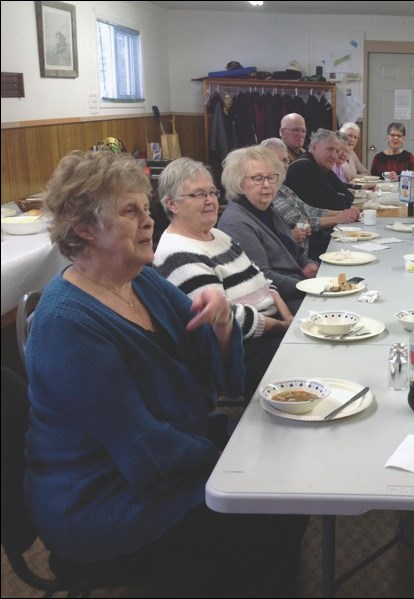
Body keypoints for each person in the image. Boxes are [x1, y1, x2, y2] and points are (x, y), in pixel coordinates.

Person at [24, 150, 306, 597]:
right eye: (129, 211)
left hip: (167, 450)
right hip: (104, 498)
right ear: (83, 229)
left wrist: (220, 322)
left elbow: (214, 365)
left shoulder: (141, 279)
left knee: (283, 482)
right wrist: (228, 468)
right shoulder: (68, 325)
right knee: (269, 509)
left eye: (145, 208)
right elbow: (141, 447)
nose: (148, 220)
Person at [153, 157, 294, 397]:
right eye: (198, 195)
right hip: (244, 351)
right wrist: (284, 327)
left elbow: (263, 281)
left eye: (212, 192)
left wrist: (290, 318)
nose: (210, 201)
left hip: (274, 327)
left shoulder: (217, 235)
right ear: (171, 204)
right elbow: (229, 318)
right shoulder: (177, 253)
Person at [218, 145, 318, 304]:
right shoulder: (236, 222)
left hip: (297, 286)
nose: (267, 184)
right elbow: (262, 278)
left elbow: (294, 250)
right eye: (257, 178)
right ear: (238, 182)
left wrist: (307, 264)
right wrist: (312, 286)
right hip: (277, 302)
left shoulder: (267, 209)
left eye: (271, 177)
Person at [261, 137, 360, 252]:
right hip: (305, 249)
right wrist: (338, 218)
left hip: (307, 246)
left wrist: (343, 213)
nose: (334, 155)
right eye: (330, 150)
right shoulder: (271, 190)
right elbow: (299, 221)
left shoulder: (283, 187)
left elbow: (310, 209)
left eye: (285, 160)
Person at [284, 129, 357, 258]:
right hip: (308, 244)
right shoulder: (304, 168)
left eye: (337, 151)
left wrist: (342, 203)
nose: (334, 156)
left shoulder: (321, 166)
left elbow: (348, 196)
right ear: (315, 147)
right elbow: (338, 203)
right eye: (330, 149)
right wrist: (341, 209)